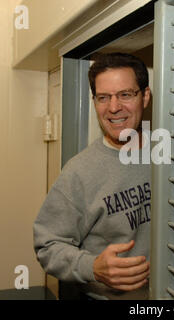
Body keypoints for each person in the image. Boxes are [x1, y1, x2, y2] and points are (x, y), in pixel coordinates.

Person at [33, 52, 152, 300]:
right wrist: (92, 267)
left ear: (146, 97)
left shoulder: (170, 155)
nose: (114, 107)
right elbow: (48, 246)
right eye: (103, 97)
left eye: (125, 94)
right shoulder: (78, 172)